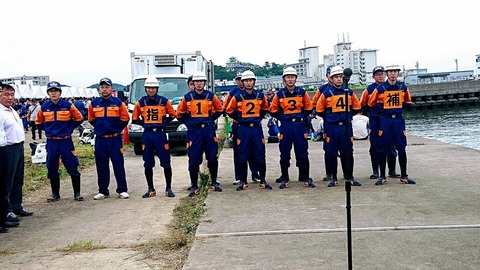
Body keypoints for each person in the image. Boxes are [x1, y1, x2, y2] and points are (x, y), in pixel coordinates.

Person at [176, 71, 223, 197]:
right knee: (194, 159)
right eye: (196, 81)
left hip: (208, 130)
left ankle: (214, 182)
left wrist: (209, 119)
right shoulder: (187, 97)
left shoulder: (211, 96)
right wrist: (189, 123)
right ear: (193, 83)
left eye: (201, 81)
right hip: (194, 132)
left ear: (204, 83)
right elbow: (179, 113)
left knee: (212, 157)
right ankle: (194, 185)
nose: (199, 84)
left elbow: (219, 110)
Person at [36, 81, 85, 202]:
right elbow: (38, 122)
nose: (53, 93)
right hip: (52, 142)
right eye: (51, 91)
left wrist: (68, 129)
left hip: (66, 141)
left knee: (72, 166)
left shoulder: (68, 106)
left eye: (56, 91)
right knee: (52, 167)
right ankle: (55, 194)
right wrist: (48, 130)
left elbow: (79, 118)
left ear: (60, 93)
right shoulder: (44, 107)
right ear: (48, 93)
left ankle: (77, 193)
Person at [367, 64, 416, 185]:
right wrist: (382, 109)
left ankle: (404, 175)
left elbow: (408, 102)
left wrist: (399, 110)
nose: (393, 74)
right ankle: (382, 176)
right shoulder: (380, 88)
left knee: (401, 147)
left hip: (398, 121)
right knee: (383, 147)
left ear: (398, 73)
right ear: (387, 73)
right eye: (390, 71)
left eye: (395, 71)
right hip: (385, 120)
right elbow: (370, 103)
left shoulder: (403, 87)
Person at [315, 66, 362, 188]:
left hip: (346, 127)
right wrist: (331, 118)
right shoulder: (325, 94)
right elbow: (319, 110)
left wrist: (346, 116)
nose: (339, 79)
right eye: (336, 77)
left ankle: (350, 176)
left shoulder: (349, 92)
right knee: (331, 152)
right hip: (332, 127)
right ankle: (334, 177)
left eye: (340, 77)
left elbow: (357, 107)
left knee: (348, 152)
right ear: (331, 78)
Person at [269, 67, 315, 188]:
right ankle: (285, 177)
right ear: (284, 79)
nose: (290, 79)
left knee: (303, 152)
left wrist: (300, 116)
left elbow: (309, 108)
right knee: (284, 152)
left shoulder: (302, 92)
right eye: (288, 77)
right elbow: (272, 110)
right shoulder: (279, 94)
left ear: (296, 79)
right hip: (286, 125)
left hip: (299, 125)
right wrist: (283, 117)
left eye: (292, 77)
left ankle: (305, 176)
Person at [225, 70, 272, 191]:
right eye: (246, 81)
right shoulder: (237, 96)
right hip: (243, 129)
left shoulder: (260, 95)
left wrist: (258, 118)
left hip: (256, 128)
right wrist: (239, 118)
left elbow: (265, 108)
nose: (248, 83)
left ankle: (262, 179)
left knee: (260, 154)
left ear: (254, 81)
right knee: (242, 155)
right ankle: (243, 181)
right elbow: (229, 110)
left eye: (250, 80)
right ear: (242, 82)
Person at [131, 76, 177, 198]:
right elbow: (135, 119)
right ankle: (150, 189)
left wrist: (164, 123)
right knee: (148, 163)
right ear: (145, 89)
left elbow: (173, 115)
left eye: (153, 88)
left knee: (166, 162)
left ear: (157, 88)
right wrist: (146, 124)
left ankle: (168, 188)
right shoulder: (141, 102)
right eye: (148, 88)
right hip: (148, 134)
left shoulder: (164, 101)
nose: (151, 90)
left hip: (160, 134)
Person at [88, 77, 130, 200]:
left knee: (118, 164)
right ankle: (103, 190)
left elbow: (125, 119)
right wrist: (101, 128)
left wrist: (115, 129)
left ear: (112, 89)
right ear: (99, 89)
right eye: (102, 87)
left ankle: (122, 189)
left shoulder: (118, 103)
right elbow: (91, 120)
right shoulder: (94, 104)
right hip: (100, 139)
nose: (104, 89)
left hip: (114, 139)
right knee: (101, 165)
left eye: (107, 87)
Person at [0, 84, 33, 227]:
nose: (10, 98)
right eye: (6, 95)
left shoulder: (11, 110)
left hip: (19, 147)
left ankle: (16, 205)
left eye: (12, 95)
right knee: (7, 181)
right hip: (8, 149)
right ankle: (6, 210)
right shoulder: (1, 112)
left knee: (18, 179)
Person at [359, 66, 400, 179]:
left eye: (382, 73)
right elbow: (362, 104)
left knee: (391, 144)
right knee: (375, 145)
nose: (380, 76)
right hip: (376, 120)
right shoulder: (369, 90)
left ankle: (392, 170)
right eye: (377, 74)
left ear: (385, 75)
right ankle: (375, 171)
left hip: (389, 120)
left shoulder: (392, 87)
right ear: (373, 77)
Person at [222, 72, 260, 185]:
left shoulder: (255, 94)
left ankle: (255, 174)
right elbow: (225, 109)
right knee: (239, 152)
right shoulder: (233, 93)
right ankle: (239, 176)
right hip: (238, 125)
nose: (240, 82)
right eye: (238, 80)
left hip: (252, 126)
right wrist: (237, 117)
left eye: (241, 79)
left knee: (253, 150)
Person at [312, 65, 335, 181]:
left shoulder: (346, 89)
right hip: (328, 122)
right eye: (331, 74)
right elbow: (314, 104)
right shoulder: (322, 89)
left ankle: (347, 173)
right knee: (328, 148)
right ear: (327, 76)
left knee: (346, 149)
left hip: (344, 123)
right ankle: (329, 173)